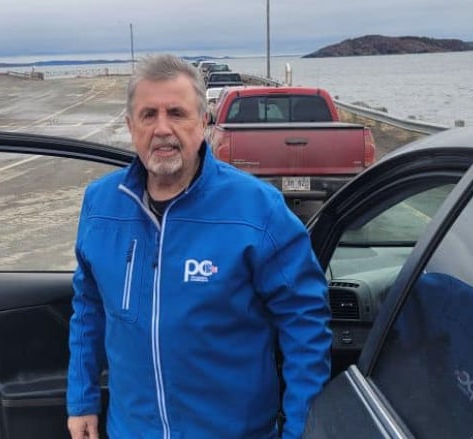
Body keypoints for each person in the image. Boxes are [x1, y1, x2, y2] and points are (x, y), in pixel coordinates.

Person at [66, 54, 331, 439]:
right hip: (131, 430)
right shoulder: (101, 204)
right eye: (148, 115)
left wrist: (301, 430)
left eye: (177, 113)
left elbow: (304, 323)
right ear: (129, 125)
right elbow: (88, 307)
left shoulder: (256, 208)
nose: (162, 129)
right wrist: (82, 399)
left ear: (203, 121)